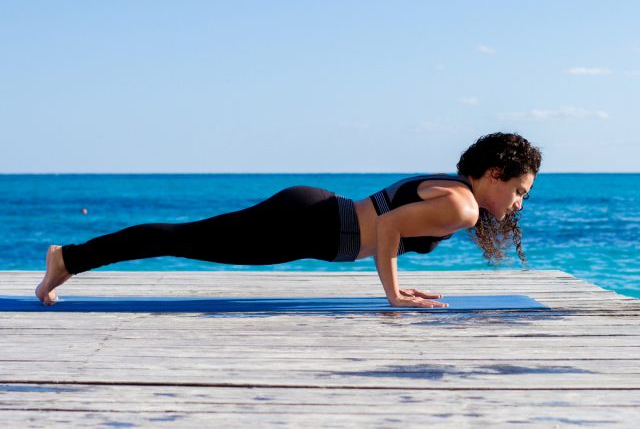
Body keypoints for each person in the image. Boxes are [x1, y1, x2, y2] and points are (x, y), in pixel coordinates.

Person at [36, 132, 541, 308]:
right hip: (311, 223)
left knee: (186, 239)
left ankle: (71, 257)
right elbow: (387, 229)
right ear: (494, 174)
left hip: (313, 220)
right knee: (183, 239)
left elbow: (391, 226)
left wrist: (399, 287)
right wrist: (392, 293)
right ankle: (68, 258)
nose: (518, 203)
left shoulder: (452, 190)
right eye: (518, 190)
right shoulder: (462, 205)